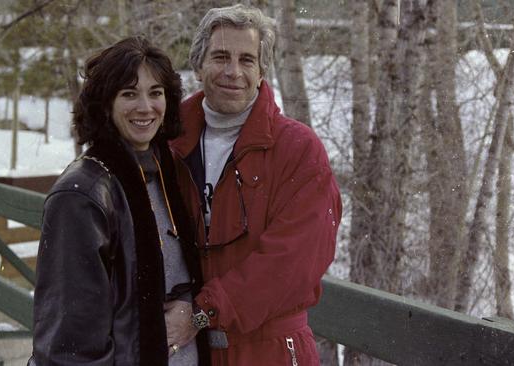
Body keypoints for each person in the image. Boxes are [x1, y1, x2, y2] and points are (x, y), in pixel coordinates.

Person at [165, 4, 342, 365]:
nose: (233, 71)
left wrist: (202, 312)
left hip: (269, 350)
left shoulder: (297, 149)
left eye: (247, 60)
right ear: (199, 66)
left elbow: (292, 263)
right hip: (189, 351)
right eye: (220, 57)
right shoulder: (169, 142)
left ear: (262, 72)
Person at [29, 36, 209, 366]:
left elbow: (171, 277)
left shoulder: (166, 174)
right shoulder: (81, 194)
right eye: (129, 94)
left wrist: (190, 308)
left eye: (156, 93)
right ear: (105, 103)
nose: (145, 107)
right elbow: (69, 342)